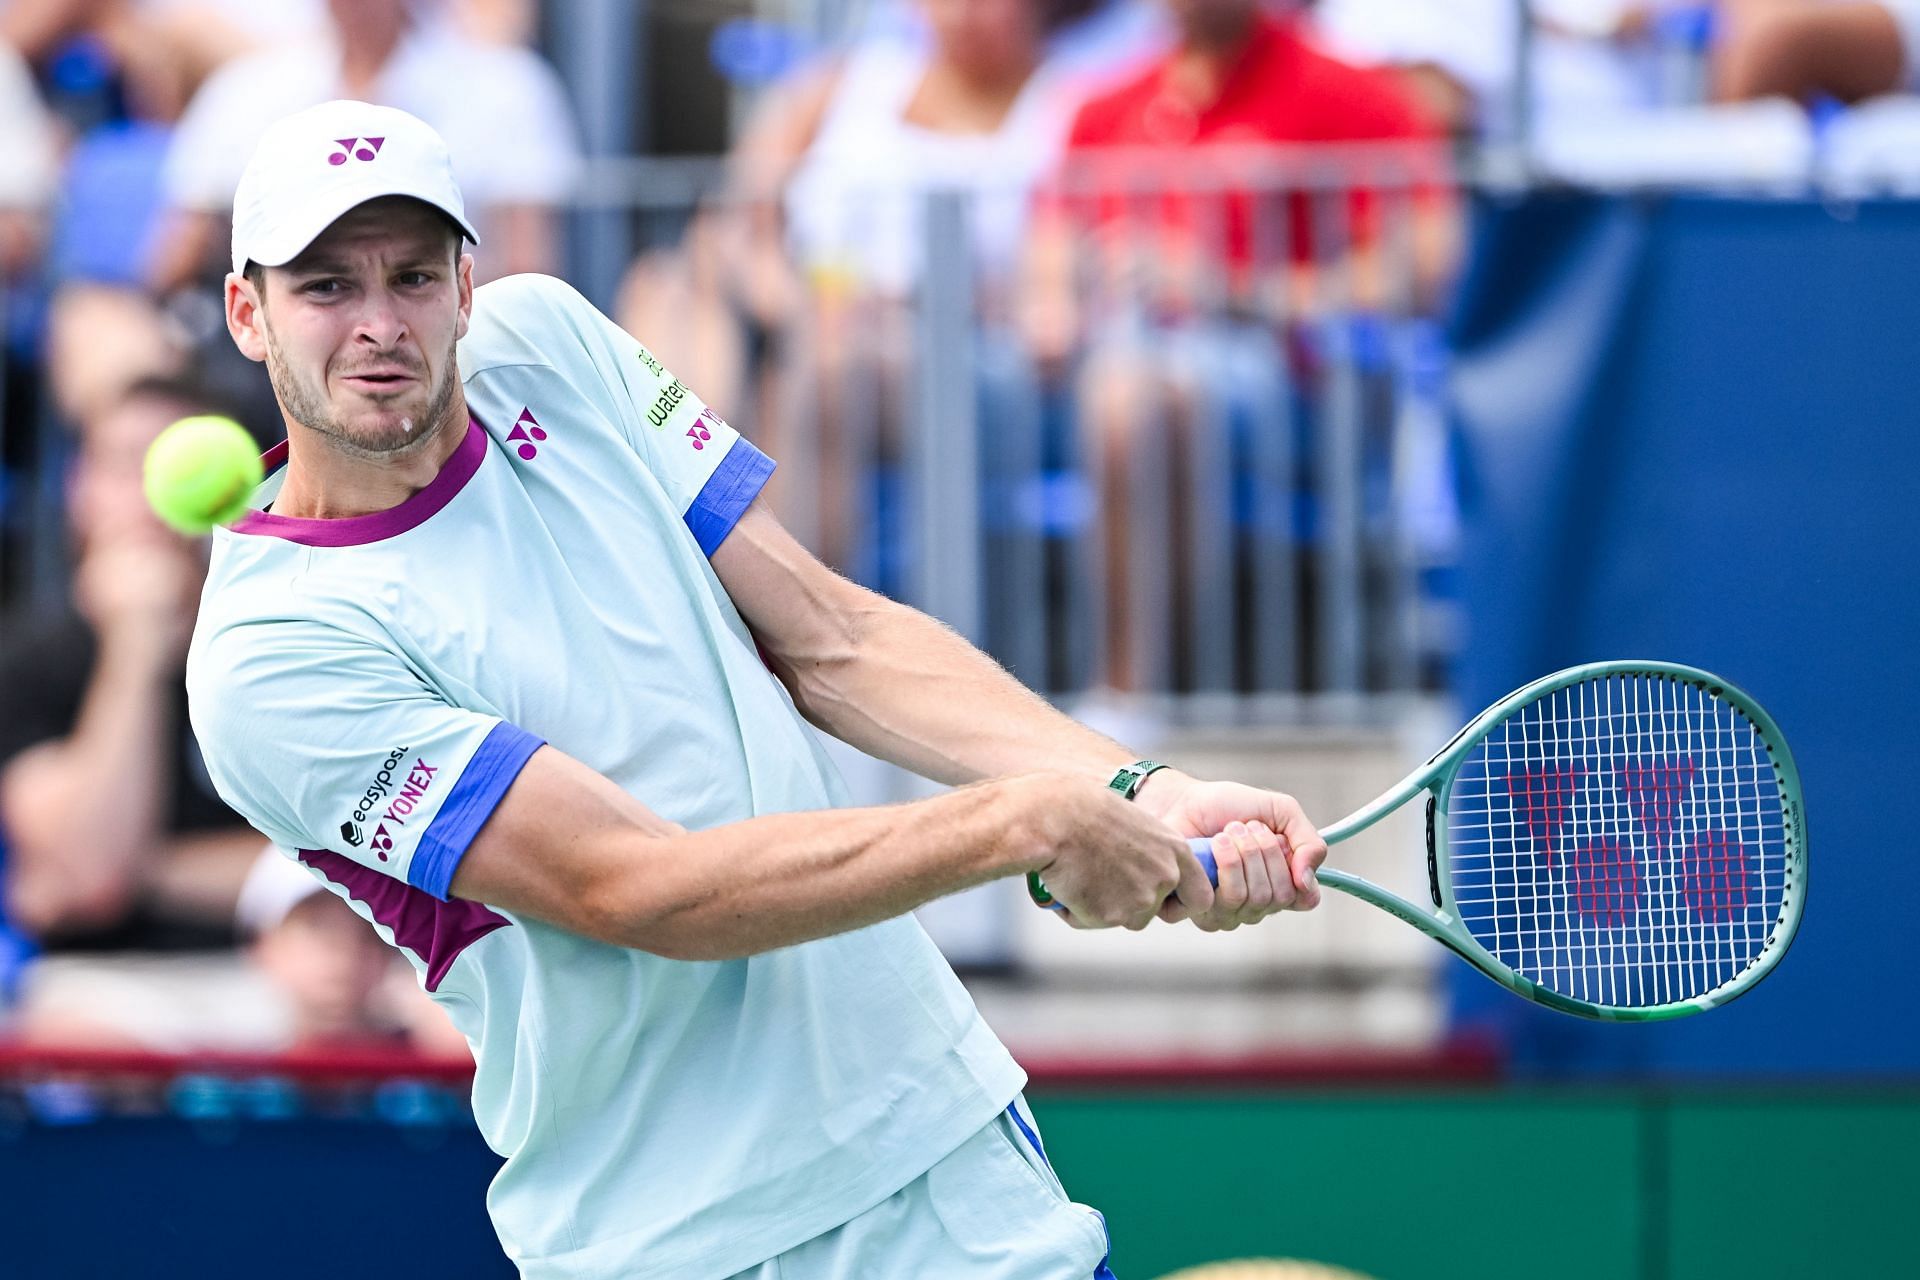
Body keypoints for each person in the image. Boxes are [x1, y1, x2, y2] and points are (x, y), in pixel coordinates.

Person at [189, 99, 1328, 1278]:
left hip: (943, 1149)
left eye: (413, 276)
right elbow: (641, 887)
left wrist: (1136, 783)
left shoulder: (553, 344)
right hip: (680, 1236)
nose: (379, 325)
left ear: (467, 286)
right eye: (326, 287)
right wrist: (1026, 817)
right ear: (247, 312)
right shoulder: (269, 653)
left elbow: (831, 638)